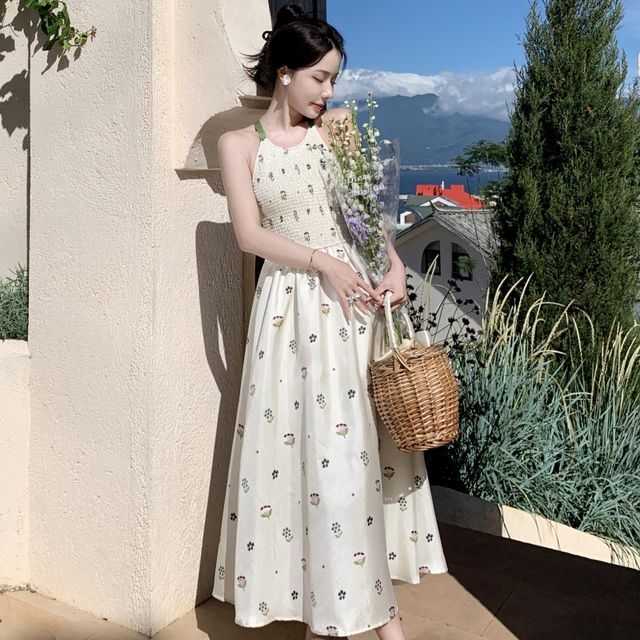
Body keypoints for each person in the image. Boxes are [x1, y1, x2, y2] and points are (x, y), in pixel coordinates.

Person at [212, 5, 448, 639]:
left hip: (354, 306)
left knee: (353, 458)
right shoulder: (238, 145)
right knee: (305, 460)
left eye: (335, 78)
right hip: (289, 311)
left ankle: (376, 616)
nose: (329, 91)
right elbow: (249, 235)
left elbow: (362, 215)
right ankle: (330, 610)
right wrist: (322, 264)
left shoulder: (338, 130)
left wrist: (393, 265)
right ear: (284, 74)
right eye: (320, 77)